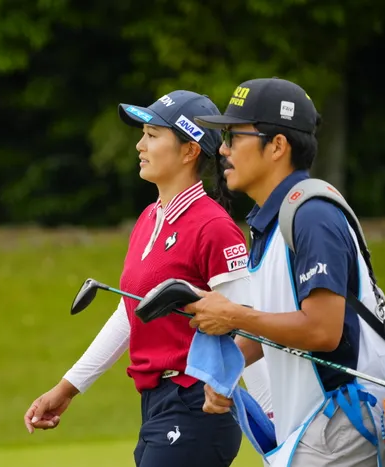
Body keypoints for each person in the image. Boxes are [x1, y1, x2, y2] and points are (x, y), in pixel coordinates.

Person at [23, 90, 273, 467]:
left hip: (198, 405)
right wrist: (67, 388)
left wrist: (270, 422)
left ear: (189, 151)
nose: (140, 145)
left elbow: (251, 326)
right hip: (157, 404)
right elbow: (131, 313)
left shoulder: (214, 227)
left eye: (153, 135)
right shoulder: (148, 219)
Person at [185, 77, 385, 466]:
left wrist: (233, 316)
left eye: (234, 136)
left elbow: (322, 330)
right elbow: (281, 322)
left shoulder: (311, 216)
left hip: (344, 419)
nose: (224, 150)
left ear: (277, 146)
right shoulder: (274, 220)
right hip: (319, 426)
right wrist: (226, 369)